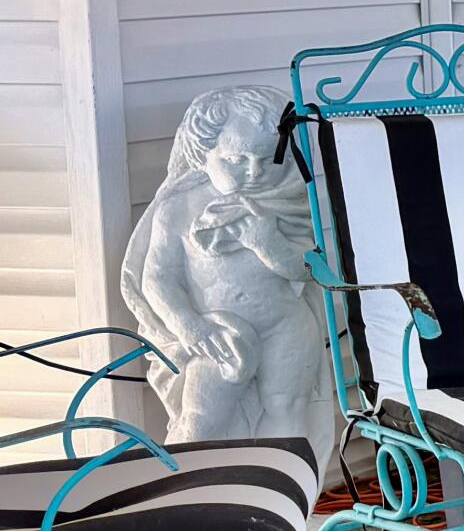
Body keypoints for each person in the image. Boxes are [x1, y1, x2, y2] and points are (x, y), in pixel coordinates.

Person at [120, 84, 326, 449]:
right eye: (237, 159)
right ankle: (190, 494)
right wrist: (190, 326)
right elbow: (157, 278)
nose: (254, 172)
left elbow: (308, 270)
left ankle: (280, 494)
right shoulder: (178, 207)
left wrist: (269, 244)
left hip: (285, 324)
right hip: (215, 331)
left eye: (267, 160)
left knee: (288, 412)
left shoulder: (289, 203)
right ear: (204, 153)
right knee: (200, 420)